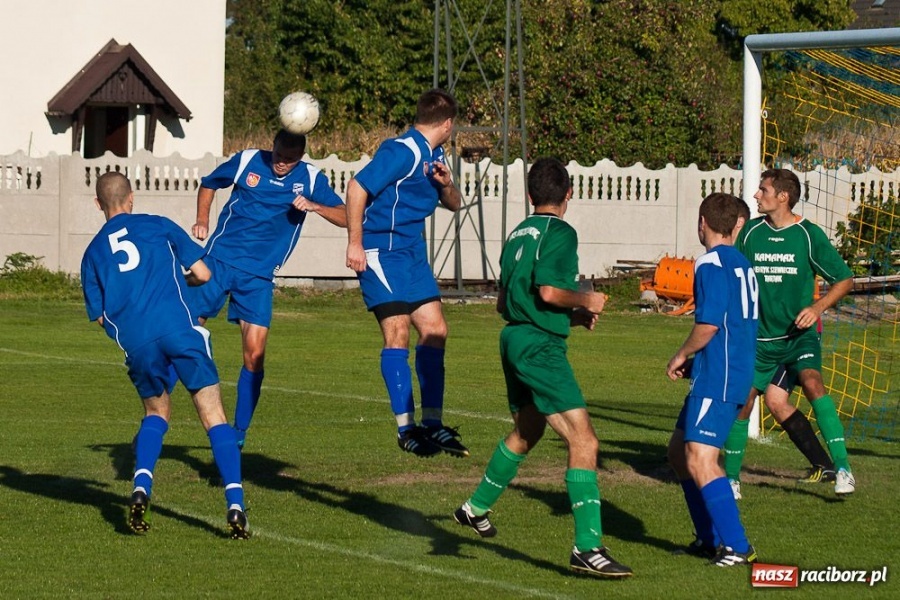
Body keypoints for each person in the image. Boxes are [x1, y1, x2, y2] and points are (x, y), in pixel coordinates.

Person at [452, 158, 632, 578]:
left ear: (530, 196)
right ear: (569, 193)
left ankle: (474, 507)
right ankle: (588, 546)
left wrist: (568, 318)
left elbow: (507, 303)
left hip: (515, 338)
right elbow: (550, 291)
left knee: (527, 431)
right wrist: (586, 300)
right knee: (584, 441)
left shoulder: (518, 234)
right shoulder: (560, 232)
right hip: (539, 348)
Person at [80, 172, 249, 539]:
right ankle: (235, 505)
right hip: (178, 330)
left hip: (138, 344)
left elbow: (97, 315)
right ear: (132, 199)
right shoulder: (158, 225)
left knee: (156, 412)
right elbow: (203, 274)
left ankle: (141, 487)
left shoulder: (92, 253)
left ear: (98, 204)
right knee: (213, 414)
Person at [190, 129, 347, 448]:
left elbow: (346, 216)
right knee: (182, 334)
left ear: (301, 157)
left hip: (258, 276)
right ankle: (153, 416)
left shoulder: (312, 178)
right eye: (278, 156)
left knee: (255, 355)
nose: (282, 164)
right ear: (272, 146)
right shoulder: (248, 160)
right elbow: (209, 183)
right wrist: (202, 219)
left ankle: (238, 435)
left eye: (290, 160)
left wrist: (316, 207)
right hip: (219, 262)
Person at [344, 89, 466, 458]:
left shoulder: (435, 155)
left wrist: (446, 184)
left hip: (411, 254)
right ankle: (406, 429)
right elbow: (356, 187)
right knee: (397, 333)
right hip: (381, 252)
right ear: (447, 124)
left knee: (436, 330)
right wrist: (355, 242)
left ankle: (433, 424)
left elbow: (456, 204)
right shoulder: (401, 151)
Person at [722, 168, 856, 497]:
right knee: (745, 402)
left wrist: (816, 308)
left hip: (799, 338)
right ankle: (731, 479)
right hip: (760, 340)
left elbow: (845, 280)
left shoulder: (808, 235)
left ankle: (842, 469)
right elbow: (734, 276)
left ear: (783, 197)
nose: (756, 195)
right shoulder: (751, 233)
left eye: (762, 190)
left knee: (812, 381)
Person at [666, 193, 758, 567]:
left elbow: (708, 324)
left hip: (720, 376)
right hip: (724, 369)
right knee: (678, 453)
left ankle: (737, 545)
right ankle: (708, 538)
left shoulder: (709, 262)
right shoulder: (741, 263)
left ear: (702, 221)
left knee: (702, 458)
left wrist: (683, 353)